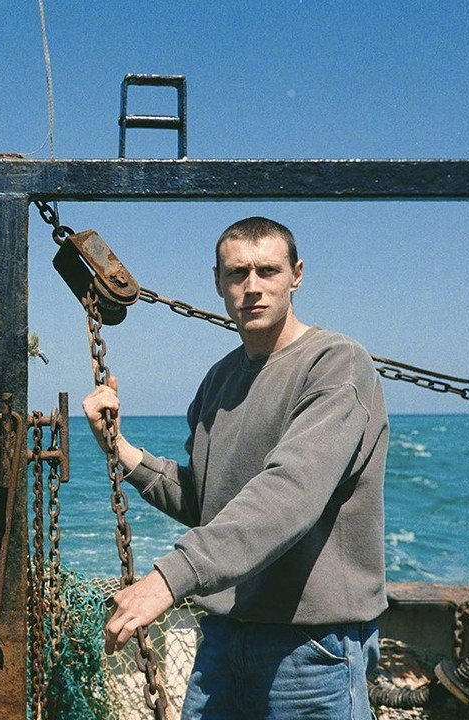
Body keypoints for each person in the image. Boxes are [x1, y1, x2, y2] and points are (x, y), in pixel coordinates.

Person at [83, 216, 388, 719]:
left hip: (310, 649)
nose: (252, 288)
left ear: (297, 275)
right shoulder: (219, 380)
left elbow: (290, 492)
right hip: (224, 639)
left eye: (267, 271)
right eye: (237, 274)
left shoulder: (335, 365)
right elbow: (209, 503)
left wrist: (168, 578)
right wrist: (120, 449)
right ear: (218, 282)